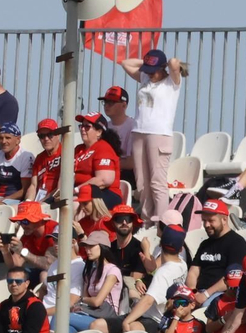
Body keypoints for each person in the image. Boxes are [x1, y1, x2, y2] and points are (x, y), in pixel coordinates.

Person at [120, 49, 187, 220]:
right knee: (142, 183)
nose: (149, 75)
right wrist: (147, 63)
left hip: (159, 134)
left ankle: (161, 221)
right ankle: (146, 220)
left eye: (153, 71)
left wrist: (160, 64)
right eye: (148, 71)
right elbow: (126, 63)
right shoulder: (144, 77)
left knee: (157, 181)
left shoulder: (171, 82)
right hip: (138, 132)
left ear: (161, 68)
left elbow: (173, 63)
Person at [122, 227, 190, 333]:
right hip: (163, 317)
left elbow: (148, 301)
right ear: (181, 249)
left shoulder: (163, 273)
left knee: (131, 327)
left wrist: (127, 320)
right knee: (99, 324)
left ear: (160, 244)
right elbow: (154, 270)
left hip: (156, 320)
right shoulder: (182, 264)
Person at [188, 199, 246, 298]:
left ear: (224, 220)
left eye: (211, 221)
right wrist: (192, 293)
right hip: (199, 293)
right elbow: (193, 271)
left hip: (221, 294)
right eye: (204, 220)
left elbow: (232, 278)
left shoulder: (237, 243)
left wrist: (206, 294)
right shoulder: (205, 244)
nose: (206, 225)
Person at [72, 113, 122, 208]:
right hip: (82, 191)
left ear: (99, 132)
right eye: (81, 126)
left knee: (73, 205)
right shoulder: (78, 149)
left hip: (106, 193)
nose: (82, 129)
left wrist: (77, 190)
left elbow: (103, 180)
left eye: (87, 126)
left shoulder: (103, 148)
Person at [0, 123, 32, 206]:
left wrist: (0, 201)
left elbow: (25, 190)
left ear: (18, 139)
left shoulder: (25, 157)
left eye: (8, 138)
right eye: (1, 138)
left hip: (15, 201)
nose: (4, 141)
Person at [22, 119, 66, 204]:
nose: (46, 139)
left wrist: (41, 202)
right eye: (42, 136)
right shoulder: (39, 158)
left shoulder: (65, 153)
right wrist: (28, 202)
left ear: (57, 135)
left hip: (54, 200)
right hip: (39, 201)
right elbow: (33, 185)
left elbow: (60, 189)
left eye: (50, 135)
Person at [99, 85, 136, 155]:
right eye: (105, 102)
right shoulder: (104, 127)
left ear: (124, 105)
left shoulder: (133, 127)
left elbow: (132, 161)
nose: (106, 105)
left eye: (111, 102)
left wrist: (110, 162)